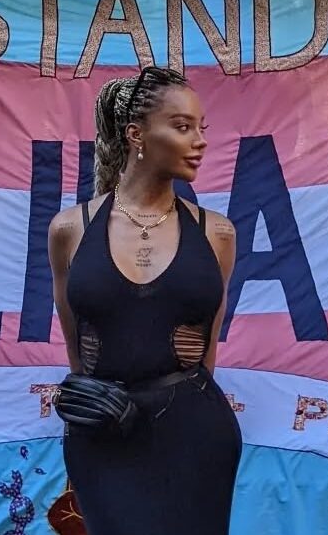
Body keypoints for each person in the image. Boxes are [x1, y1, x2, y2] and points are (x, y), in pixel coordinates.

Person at [47, 66, 242, 535]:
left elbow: (206, 353)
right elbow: (81, 353)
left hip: (196, 436)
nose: (199, 141)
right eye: (182, 127)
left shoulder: (216, 233)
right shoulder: (70, 230)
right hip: (103, 434)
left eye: (201, 128)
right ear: (137, 134)